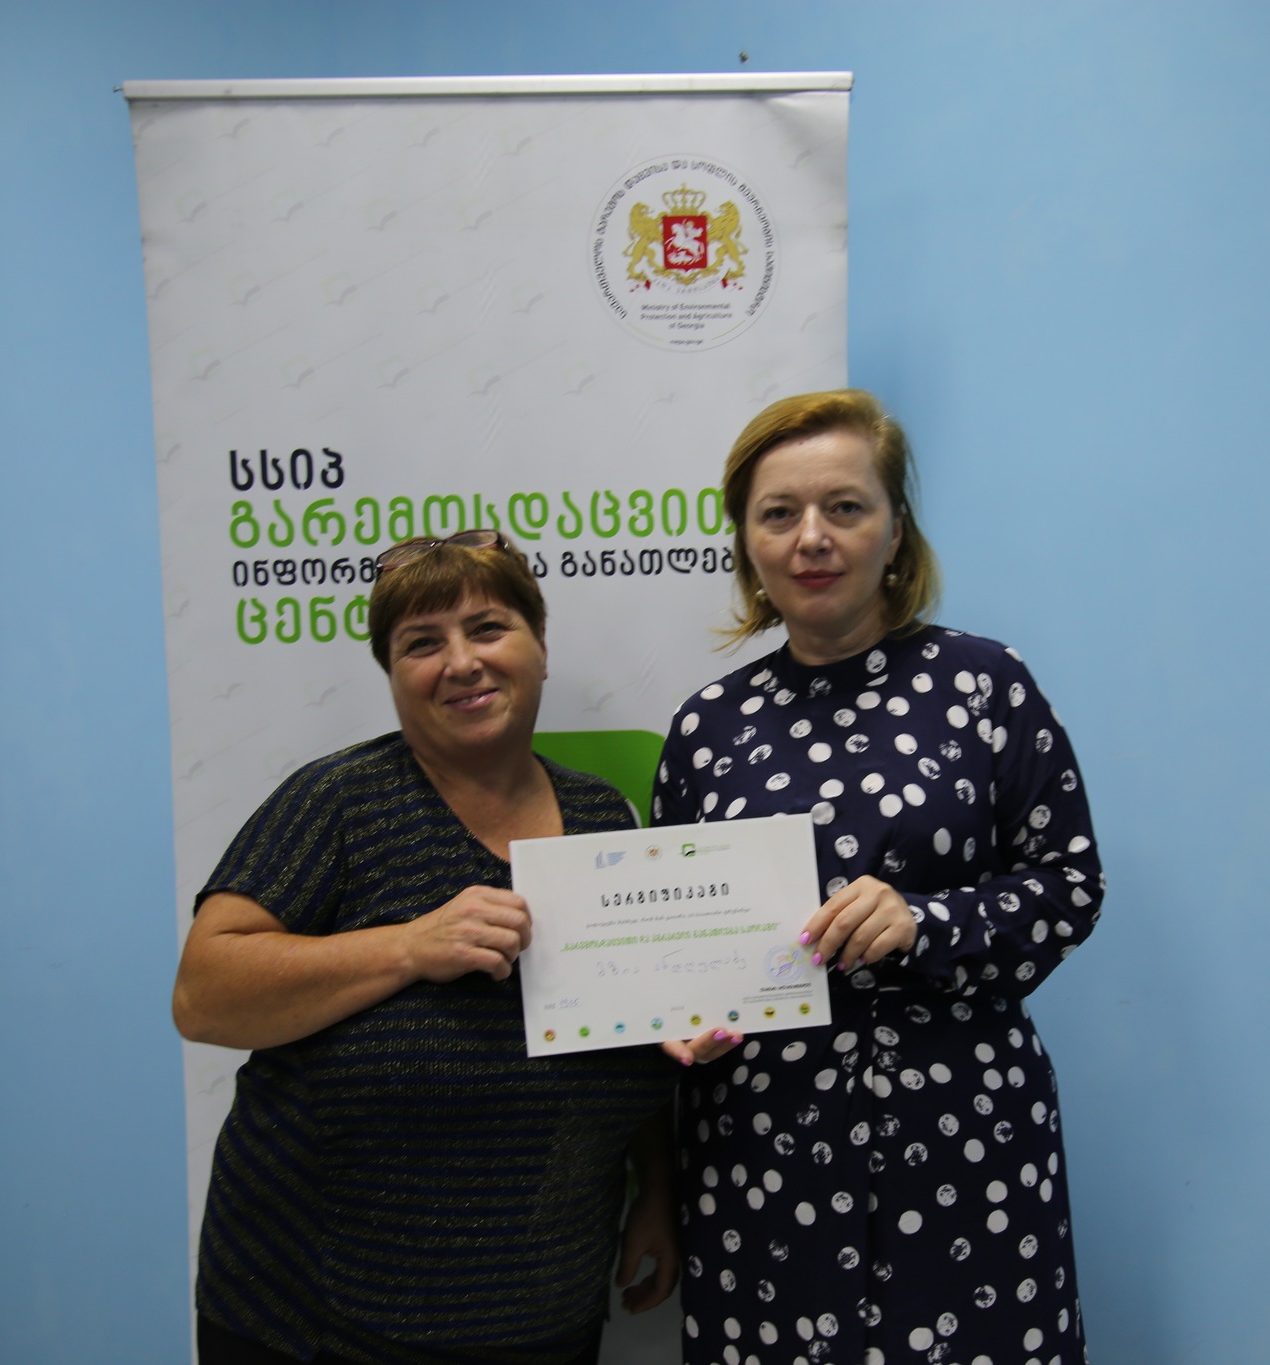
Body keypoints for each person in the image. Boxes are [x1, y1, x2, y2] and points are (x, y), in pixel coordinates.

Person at [173, 530, 731, 1365]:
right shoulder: (338, 801)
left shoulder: (602, 818)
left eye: (488, 628)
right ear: (392, 673)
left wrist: (655, 1184)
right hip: (314, 1318)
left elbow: (626, 1021)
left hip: (544, 1311)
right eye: (422, 643)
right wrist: (408, 946)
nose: (461, 662)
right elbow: (203, 995)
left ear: (541, 646)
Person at [652, 392, 1103, 1365]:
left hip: (962, 1139)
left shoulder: (986, 686)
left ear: (896, 530)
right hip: (761, 1153)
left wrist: (927, 922)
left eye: (845, 507)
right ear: (747, 544)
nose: (811, 537)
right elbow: (674, 946)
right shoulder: (705, 728)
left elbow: (1069, 886)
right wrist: (677, 1014)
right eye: (778, 513)